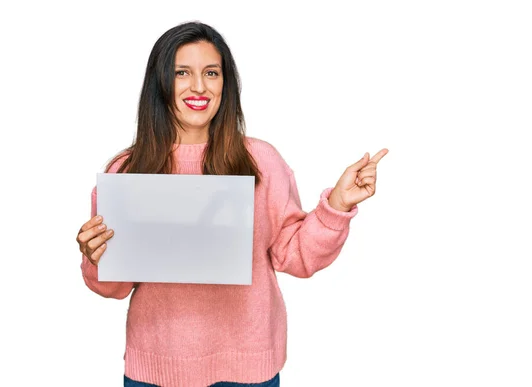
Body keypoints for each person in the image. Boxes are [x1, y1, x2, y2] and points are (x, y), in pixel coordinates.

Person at [76, 21, 388, 387]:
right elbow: (113, 287)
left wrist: (336, 205)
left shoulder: (262, 161)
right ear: (160, 82)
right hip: (157, 368)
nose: (199, 86)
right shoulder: (125, 172)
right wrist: (95, 257)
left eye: (211, 72)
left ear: (226, 83)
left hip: (248, 369)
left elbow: (295, 255)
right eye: (182, 73)